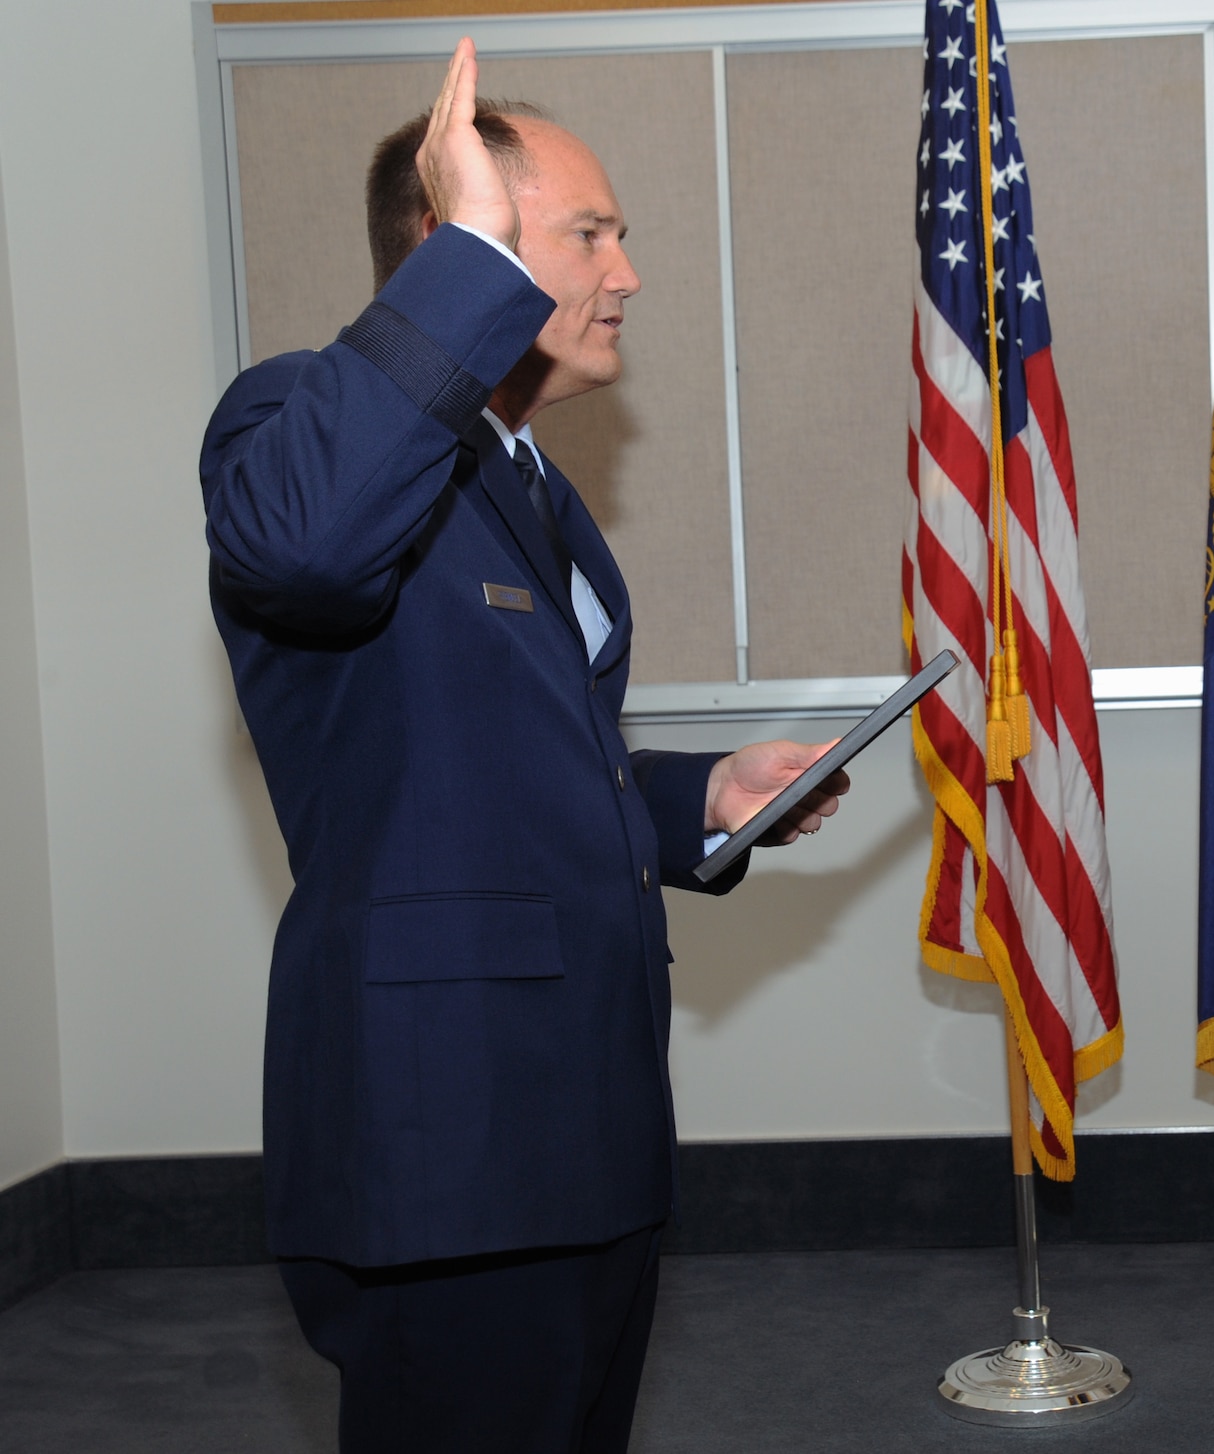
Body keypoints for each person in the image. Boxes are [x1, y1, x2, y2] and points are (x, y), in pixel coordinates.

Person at [200, 40, 848, 1453]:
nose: (626, 274)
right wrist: (470, 268)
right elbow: (305, 548)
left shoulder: (531, 486)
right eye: (588, 234)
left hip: (579, 1129)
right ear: (458, 243)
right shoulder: (298, 418)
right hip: (452, 1141)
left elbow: (507, 771)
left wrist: (700, 801)